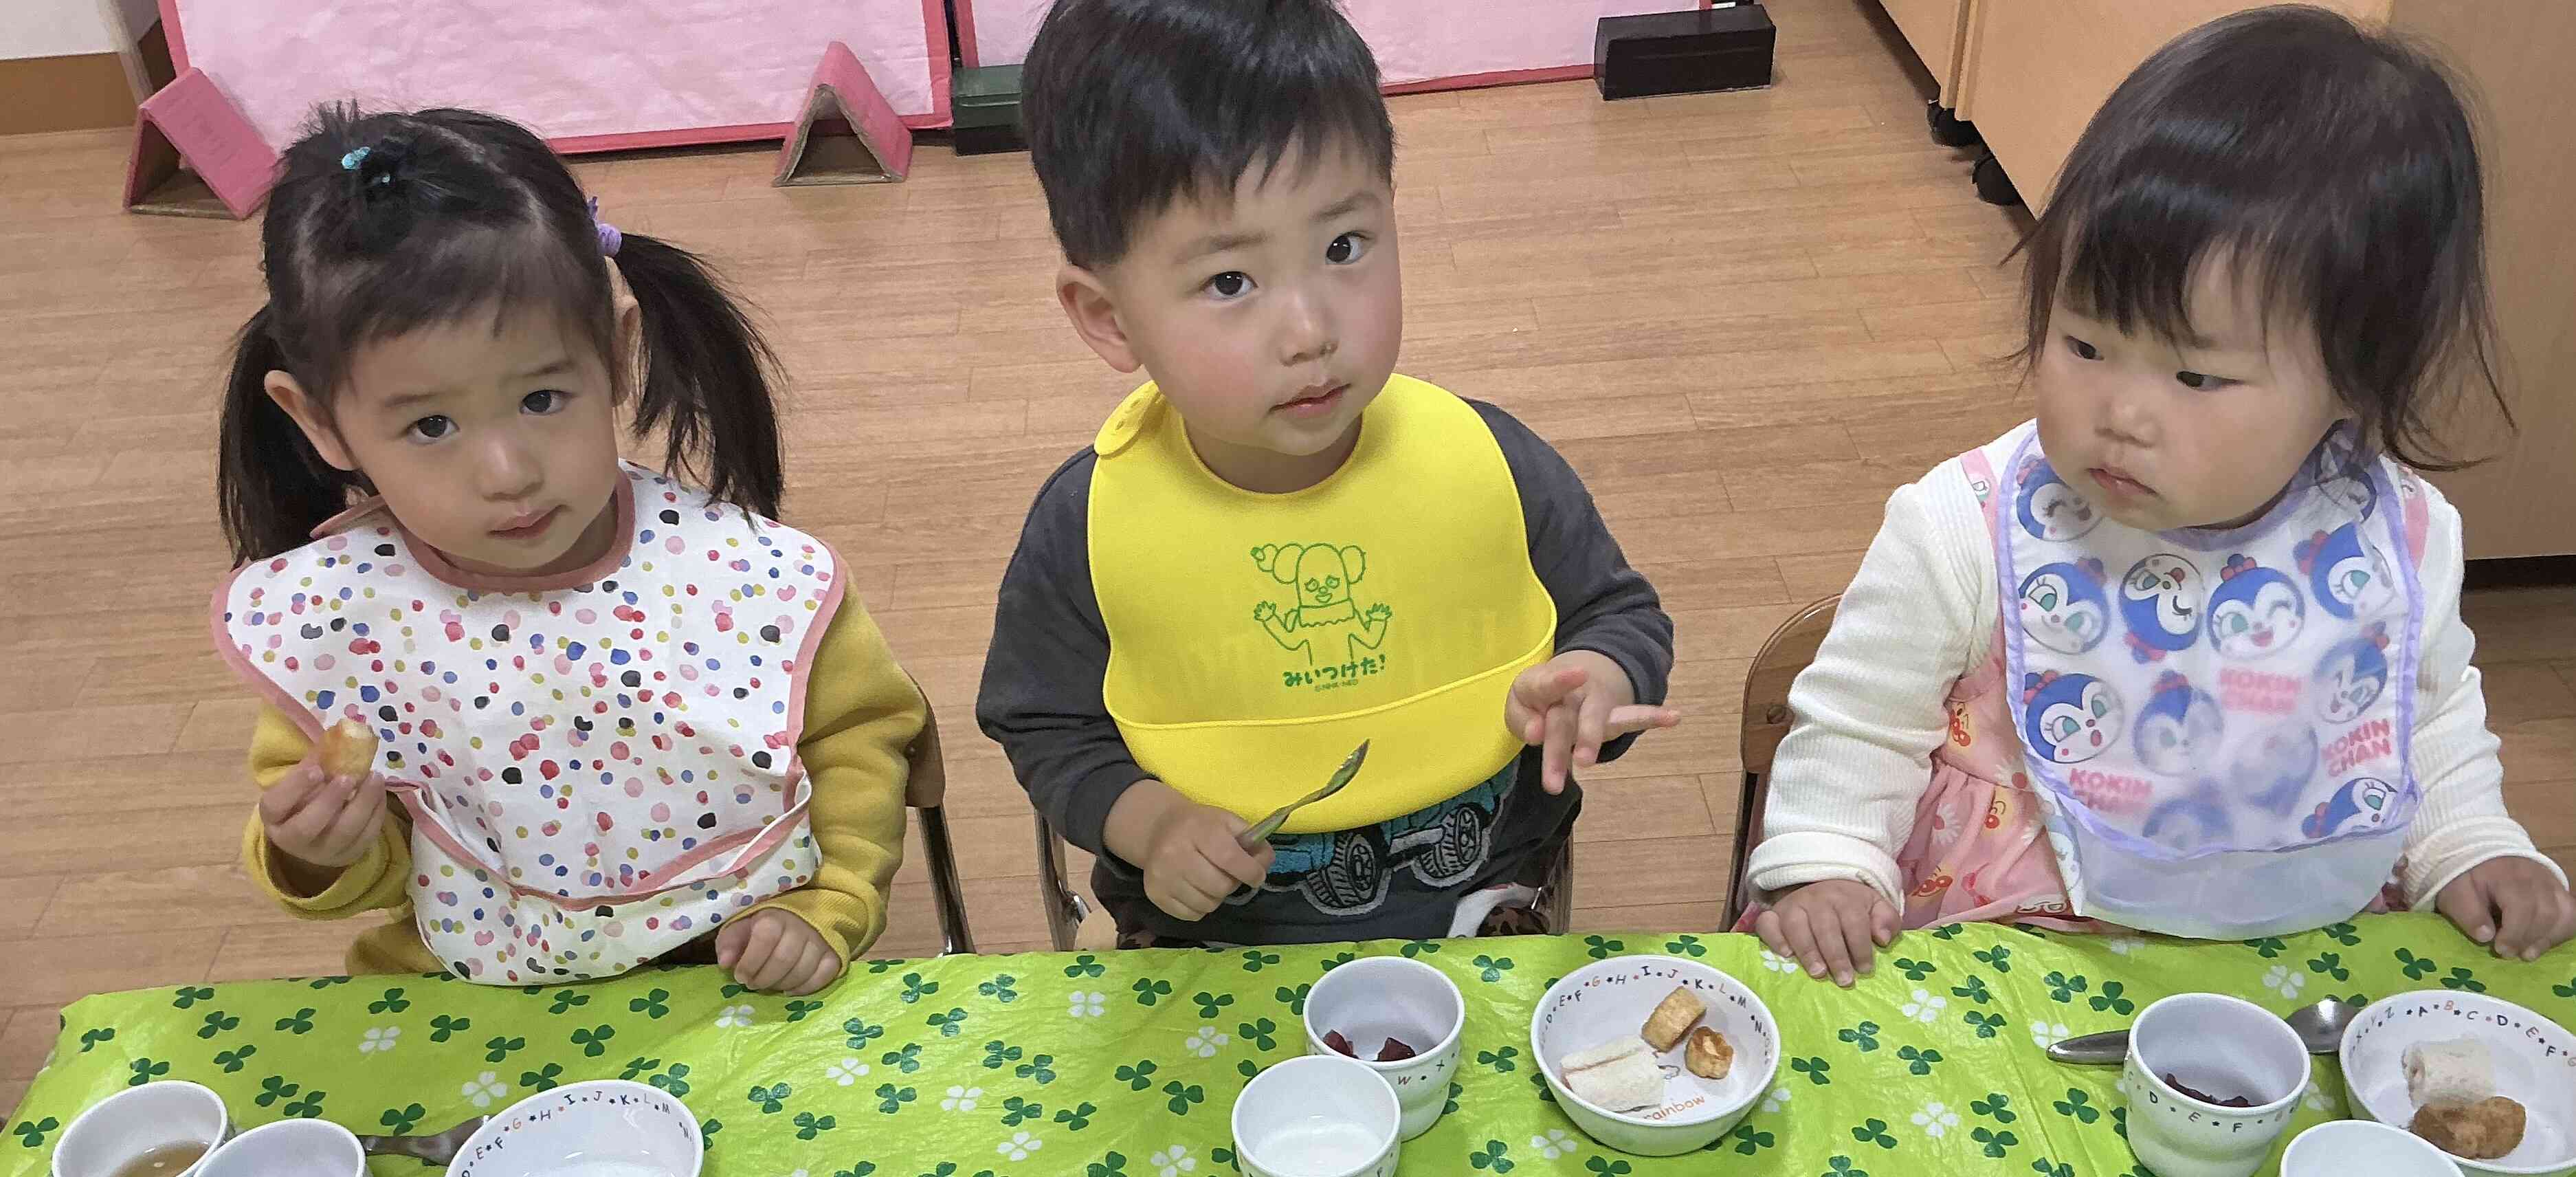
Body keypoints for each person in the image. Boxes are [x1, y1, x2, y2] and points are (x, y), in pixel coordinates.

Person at [1746, 5, 2575, 984]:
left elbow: (2420, 718)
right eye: (2085, 344)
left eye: (2197, 376)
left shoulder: (2396, 542)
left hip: (2299, 960)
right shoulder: (1966, 528)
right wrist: (1831, 863)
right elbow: (1859, 721)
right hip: (2013, 946)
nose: (2123, 413)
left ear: (2356, 380)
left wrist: (2471, 843)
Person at [976, 0, 1678, 945]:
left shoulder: (1488, 460)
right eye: (1230, 282)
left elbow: (1620, 614)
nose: (1311, 332)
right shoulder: (1090, 524)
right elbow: (1044, 724)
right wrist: (1150, 823)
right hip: (1214, 955)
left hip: (1484, 921)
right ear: (1109, 318)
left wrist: (1596, 680)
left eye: (1344, 248)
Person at [213, 105, 923, 993]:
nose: (508, 473)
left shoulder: (745, 579)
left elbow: (857, 741)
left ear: (616, 351)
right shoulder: (341, 625)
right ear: (319, 421)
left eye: (542, 400)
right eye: (431, 425)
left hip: (732, 972)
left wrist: (829, 903)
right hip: (472, 993)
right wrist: (317, 850)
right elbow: (386, 868)